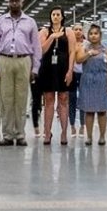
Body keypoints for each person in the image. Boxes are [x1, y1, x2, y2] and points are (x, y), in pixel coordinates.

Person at [0, 0, 40, 147]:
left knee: (22, 100)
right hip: (4, 61)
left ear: (22, 3)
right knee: (6, 100)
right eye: (12, 1)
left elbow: (36, 46)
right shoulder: (0, 21)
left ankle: (20, 135)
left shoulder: (30, 22)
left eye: (17, 1)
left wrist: (35, 68)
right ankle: (8, 135)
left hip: (24, 60)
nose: (14, 3)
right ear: (8, 3)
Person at [34, 9, 74, 145]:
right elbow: (41, 50)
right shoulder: (44, 32)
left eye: (58, 14)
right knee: (49, 100)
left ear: (62, 17)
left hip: (63, 68)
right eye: (53, 14)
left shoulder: (68, 32)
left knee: (63, 99)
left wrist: (70, 70)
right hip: (48, 68)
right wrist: (52, 37)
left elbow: (72, 52)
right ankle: (47, 132)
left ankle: (64, 133)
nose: (55, 17)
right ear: (50, 17)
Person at [74, 24, 107, 145]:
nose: (93, 36)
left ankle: (102, 137)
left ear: (100, 35)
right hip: (87, 81)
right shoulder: (84, 48)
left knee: (102, 111)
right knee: (89, 110)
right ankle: (89, 137)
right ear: (88, 36)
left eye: (96, 33)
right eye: (91, 34)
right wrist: (89, 53)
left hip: (102, 81)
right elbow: (78, 60)